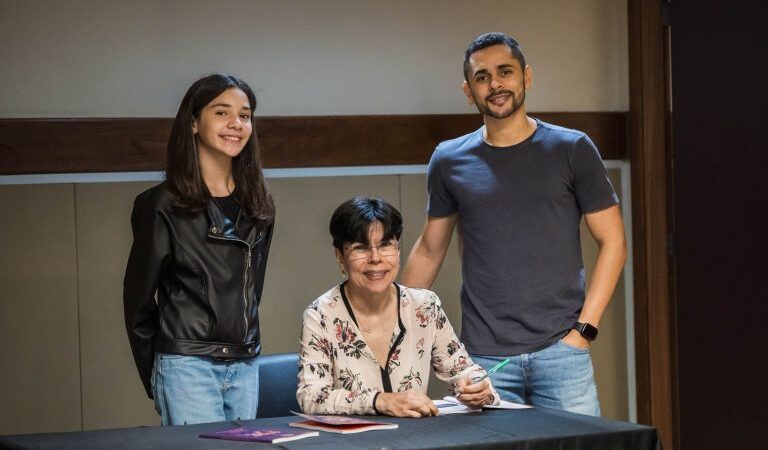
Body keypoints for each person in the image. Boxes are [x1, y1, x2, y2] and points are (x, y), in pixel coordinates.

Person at [401, 32, 627, 416]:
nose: (495, 84)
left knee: (579, 444)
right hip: (485, 359)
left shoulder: (572, 148)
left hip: (563, 353)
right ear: (468, 91)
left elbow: (614, 243)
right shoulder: (449, 159)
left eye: (505, 72)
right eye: (482, 77)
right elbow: (429, 249)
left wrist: (583, 331)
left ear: (526, 76)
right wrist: (394, 326)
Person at [123, 74, 275, 425]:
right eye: (221, 112)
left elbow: (252, 293)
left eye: (245, 115)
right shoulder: (161, 205)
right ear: (193, 122)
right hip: (186, 363)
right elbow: (138, 302)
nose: (236, 123)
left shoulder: (259, 204)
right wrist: (159, 371)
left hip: (245, 362)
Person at [297, 196, 499, 417]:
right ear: (340, 257)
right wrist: (380, 401)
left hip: (415, 435)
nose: (375, 258)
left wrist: (478, 388)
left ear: (398, 250)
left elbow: (463, 370)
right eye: (360, 248)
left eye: (385, 245)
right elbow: (311, 397)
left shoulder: (424, 307)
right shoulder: (321, 315)